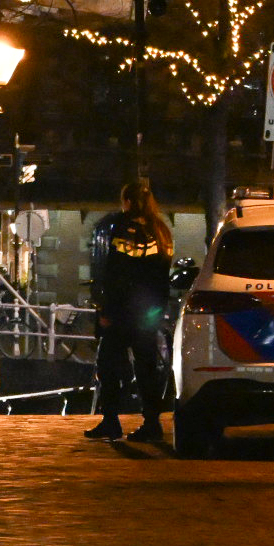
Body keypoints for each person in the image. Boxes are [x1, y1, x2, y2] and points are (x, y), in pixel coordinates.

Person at [84, 178, 174, 441]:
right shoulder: (161, 231)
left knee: (108, 364)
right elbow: (161, 275)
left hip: (124, 311)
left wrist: (107, 310)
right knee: (147, 368)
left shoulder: (124, 229)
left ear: (128, 201)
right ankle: (152, 423)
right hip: (149, 312)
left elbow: (116, 272)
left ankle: (111, 420)